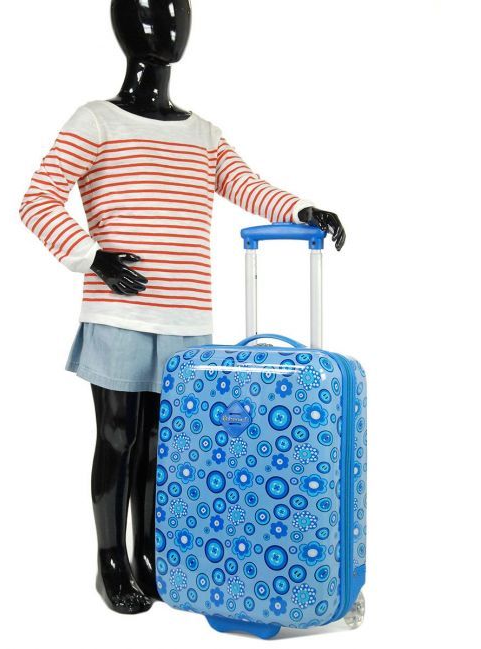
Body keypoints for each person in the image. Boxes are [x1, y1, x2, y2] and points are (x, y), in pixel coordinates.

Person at [19, 0, 345, 615]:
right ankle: (110, 562)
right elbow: (38, 199)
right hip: (119, 311)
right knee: (117, 438)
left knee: (164, 445)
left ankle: (150, 555)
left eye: (177, 11)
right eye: (147, 9)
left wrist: (301, 210)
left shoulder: (204, 133)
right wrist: (91, 257)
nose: (166, 23)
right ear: (121, 24)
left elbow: (247, 185)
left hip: (188, 319)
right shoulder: (95, 120)